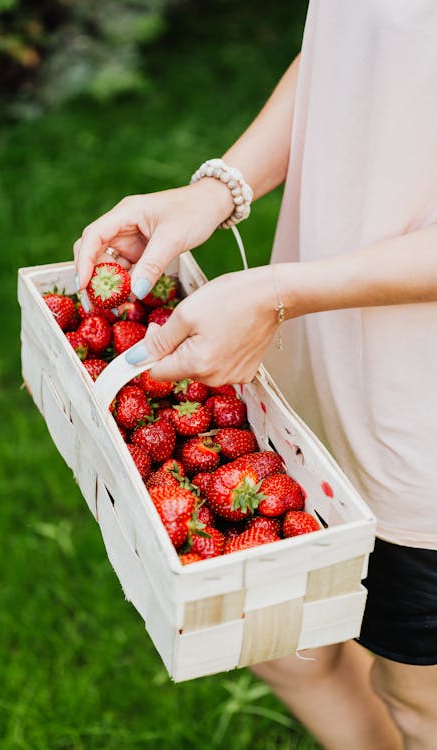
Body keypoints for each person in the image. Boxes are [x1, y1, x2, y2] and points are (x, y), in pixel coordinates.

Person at [74, 2, 437, 748]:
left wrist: (285, 292)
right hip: (307, 362)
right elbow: (350, 59)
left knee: (417, 695)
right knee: (286, 649)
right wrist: (218, 191)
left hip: (421, 427)